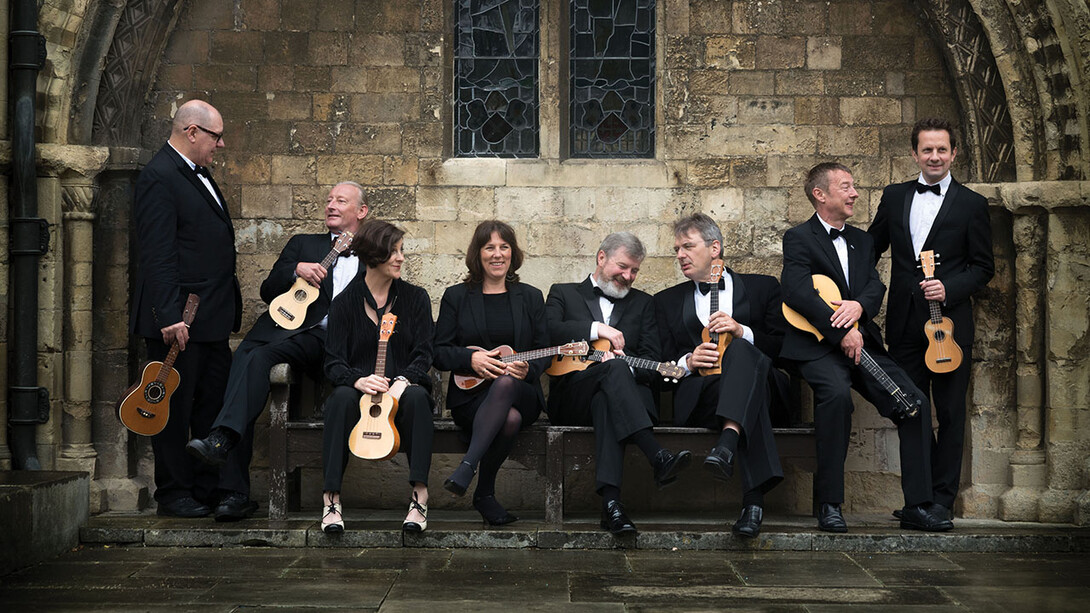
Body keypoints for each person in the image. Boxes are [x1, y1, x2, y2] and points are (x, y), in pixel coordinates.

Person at [780, 162, 951, 533]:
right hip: (817, 346)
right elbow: (796, 292)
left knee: (915, 403)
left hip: (862, 342)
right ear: (820, 194)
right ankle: (830, 505)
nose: (855, 193)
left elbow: (874, 286)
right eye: (846, 186)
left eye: (853, 186)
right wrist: (839, 331)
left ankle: (917, 506)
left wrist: (859, 308)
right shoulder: (798, 238)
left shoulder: (863, 240)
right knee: (837, 398)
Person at [185, 182, 369, 521]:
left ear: (361, 212)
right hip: (288, 333)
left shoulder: (373, 253)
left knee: (253, 358)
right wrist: (295, 269)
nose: (330, 205)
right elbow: (269, 290)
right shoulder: (303, 244)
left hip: (336, 346)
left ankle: (224, 451)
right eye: (328, 199)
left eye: (341, 201)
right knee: (248, 358)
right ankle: (232, 487)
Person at [868, 118, 995, 524]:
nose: (935, 157)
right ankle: (917, 501)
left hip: (951, 328)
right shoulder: (894, 196)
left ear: (954, 153)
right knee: (910, 409)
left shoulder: (972, 204)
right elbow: (869, 248)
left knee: (952, 413)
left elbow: (983, 267)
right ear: (914, 154)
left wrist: (950, 288)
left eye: (942, 150)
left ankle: (941, 501)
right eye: (927, 150)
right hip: (905, 324)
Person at [130, 99, 241, 518]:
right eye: (216, 136)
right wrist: (169, 315)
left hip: (209, 318)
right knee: (173, 409)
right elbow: (157, 254)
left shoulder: (197, 173)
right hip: (179, 320)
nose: (222, 144)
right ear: (191, 131)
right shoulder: (160, 176)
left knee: (211, 404)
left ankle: (205, 488)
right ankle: (174, 493)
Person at [545, 232, 691, 536]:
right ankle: (657, 455)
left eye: (635, 270)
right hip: (573, 397)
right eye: (623, 267)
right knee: (608, 380)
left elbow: (653, 363)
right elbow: (549, 332)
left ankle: (612, 506)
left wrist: (623, 366)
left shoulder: (644, 304)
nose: (628, 276)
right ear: (601, 258)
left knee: (609, 391)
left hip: (622, 400)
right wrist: (597, 328)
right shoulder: (563, 293)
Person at [653, 213, 787, 538]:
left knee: (742, 351)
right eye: (676, 249)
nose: (680, 255)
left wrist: (743, 331)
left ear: (715, 248)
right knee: (746, 401)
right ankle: (752, 500)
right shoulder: (665, 302)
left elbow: (785, 347)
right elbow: (657, 369)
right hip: (704, 396)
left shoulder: (763, 287)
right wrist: (686, 362)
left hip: (767, 388)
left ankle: (728, 443)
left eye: (688, 246)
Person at [318, 220, 435, 533]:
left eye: (401, 251)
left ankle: (419, 496)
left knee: (419, 398)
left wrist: (403, 380)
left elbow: (424, 354)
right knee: (340, 398)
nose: (400, 258)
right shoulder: (343, 304)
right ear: (371, 256)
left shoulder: (415, 298)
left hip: (402, 388)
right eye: (392, 252)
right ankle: (331, 499)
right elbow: (333, 362)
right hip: (359, 390)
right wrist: (358, 380)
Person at [433, 221, 548, 525]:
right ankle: (484, 495)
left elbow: (545, 349)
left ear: (512, 253)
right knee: (509, 418)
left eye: (504, 247)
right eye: (490, 247)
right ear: (478, 254)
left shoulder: (532, 297)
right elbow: (439, 351)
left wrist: (529, 368)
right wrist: (470, 359)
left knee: (507, 384)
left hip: (521, 392)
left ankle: (467, 467)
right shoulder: (456, 297)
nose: (498, 254)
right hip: (471, 397)